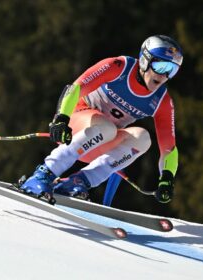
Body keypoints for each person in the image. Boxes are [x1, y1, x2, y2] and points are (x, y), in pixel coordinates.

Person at [21, 35, 182, 203]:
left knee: (142, 138)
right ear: (144, 60)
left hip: (99, 142)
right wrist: (61, 118)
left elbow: (169, 148)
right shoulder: (120, 67)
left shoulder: (161, 100)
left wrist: (167, 179)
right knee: (107, 128)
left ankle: (78, 182)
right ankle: (44, 174)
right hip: (74, 127)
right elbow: (75, 88)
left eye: (172, 69)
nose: (164, 75)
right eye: (161, 65)